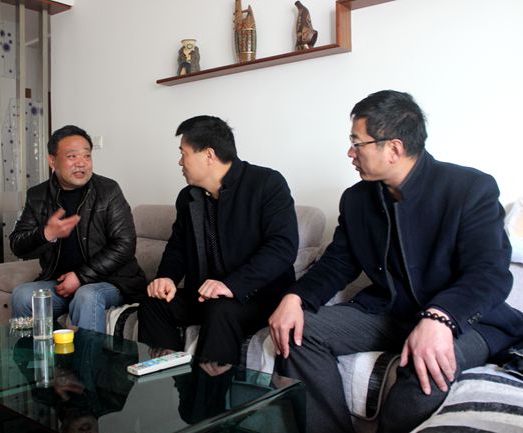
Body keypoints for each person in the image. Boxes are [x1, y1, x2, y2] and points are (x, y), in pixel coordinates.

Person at [268, 90, 523, 432]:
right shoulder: (357, 200)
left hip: (464, 321)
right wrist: (294, 297)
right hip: (390, 313)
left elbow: (489, 272)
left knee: (425, 363)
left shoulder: (469, 188)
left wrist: (440, 317)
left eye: (356, 143)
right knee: (300, 332)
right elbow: (337, 263)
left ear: (394, 148)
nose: (350, 152)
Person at [138, 115, 299, 364]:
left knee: (220, 309)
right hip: (205, 295)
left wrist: (231, 285)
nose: (180, 161)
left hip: (256, 296)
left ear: (209, 155)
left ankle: (210, 387)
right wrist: (166, 277)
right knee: (154, 302)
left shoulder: (266, 183)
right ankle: (165, 375)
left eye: (184, 153)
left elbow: (282, 248)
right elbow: (178, 246)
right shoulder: (189, 197)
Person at [10, 124, 146, 333]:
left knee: (87, 295)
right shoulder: (37, 195)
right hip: (61, 283)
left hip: (111, 282)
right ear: (52, 161)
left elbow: (125, 244)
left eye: (87, 156)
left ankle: (88, 356)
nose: (81, 163)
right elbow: (17, 245)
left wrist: (81, 277)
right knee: (22, 295)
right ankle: (33, 353)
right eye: (72, 156)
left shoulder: (108, 190)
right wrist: (47, 234)